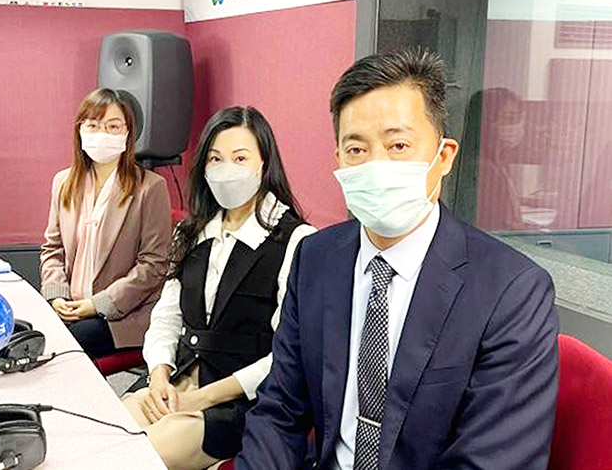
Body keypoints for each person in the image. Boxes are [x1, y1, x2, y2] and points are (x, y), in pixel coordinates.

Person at [237, 49, 559, 469]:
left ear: (444, 157)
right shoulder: (315, 259)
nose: (376, 166)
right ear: (339, 161)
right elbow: (279, 409)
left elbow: (490, 460)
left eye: (399, 145)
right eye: (357, 149)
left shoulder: (511, 291)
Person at [122, 106, 317, 470]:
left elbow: (288, 356)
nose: (227, 169)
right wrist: (159, 375)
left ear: (264, 164)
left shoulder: (297, 241)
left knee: (136, 457)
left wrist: (202, 399)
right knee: (104, 431)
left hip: (242, 401)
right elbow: (167, 316)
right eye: (216, 159)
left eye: (240, 158)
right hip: (178, 379)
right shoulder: (191, 232)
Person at [40, 87, 172, 358]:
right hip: (69, 305)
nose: (102, 134)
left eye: (113, 126)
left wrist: (97, 305)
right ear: (80, 130)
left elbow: (154, 265)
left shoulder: (151, 187)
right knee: (26, 338)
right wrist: (57, 295)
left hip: (124, 314)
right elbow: (52, 248)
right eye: (93, 125)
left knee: (63, 348)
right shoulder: (63, 182)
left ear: (127, 133)